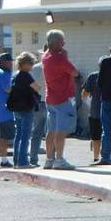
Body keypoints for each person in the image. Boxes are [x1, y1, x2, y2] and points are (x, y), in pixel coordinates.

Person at [41, 29, 78, 170]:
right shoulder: (60, 58)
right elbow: (74, 72)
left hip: (50, 98)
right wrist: (66, 57)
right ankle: (59, 160)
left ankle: (49, 159)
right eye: (62, 41)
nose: (64, 44)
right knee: (61, 131)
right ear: (57, 43)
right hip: (63, 98)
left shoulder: (45, 56)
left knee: (51, 130)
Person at [9, 52, 41, 168]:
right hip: (26, 107)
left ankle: (16, 161)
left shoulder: (15, 75)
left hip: (16, 107)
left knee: (18, 136)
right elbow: (36, 87)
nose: (32, 66)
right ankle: (23, 161)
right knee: (25, 136)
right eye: (31, 63)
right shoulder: (26, 75)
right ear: (25, 64)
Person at [0, 53, 15, 168]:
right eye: (10, 61)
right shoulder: (2, 74)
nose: (12, 63)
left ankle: (4, 160)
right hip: (5, 110)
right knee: (6, 136)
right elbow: (8, 89)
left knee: (4, 136)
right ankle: (5, 160)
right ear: (5, 62)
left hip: (2, 110)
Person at [29, 48, 47, 165]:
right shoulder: (56, 66)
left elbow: (30, 86)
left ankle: (33, 158)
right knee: (53, 133)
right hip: (51, 101)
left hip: (36, 102)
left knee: (36, 133)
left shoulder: (35, 68)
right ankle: (53, 158)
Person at [82, 70, 104, 162]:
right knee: (109, 135)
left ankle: (96, 157)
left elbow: (84, 94)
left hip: (95, 110)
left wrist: (86, 102)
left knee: (96, 136)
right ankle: (106, 156)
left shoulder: (93, 76)